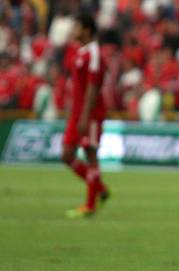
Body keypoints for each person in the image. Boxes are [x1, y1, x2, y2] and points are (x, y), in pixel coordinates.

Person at [61, 13, 109, 218]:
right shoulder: (79, 52)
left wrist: (85, 116)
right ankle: (99, 187)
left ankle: (90, 205)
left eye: (77, 27)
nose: (74, 31)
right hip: (77, 113)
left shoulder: (94, 53)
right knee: (66, 155)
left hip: (90, 115)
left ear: (87, 30)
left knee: (90, 155)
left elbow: (93, 86)